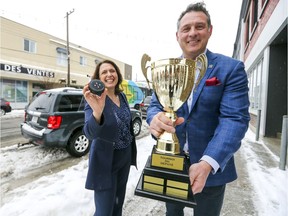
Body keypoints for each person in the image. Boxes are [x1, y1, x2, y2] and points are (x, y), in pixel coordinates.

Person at [146, 2, 250, 216]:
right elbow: (156, 104)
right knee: (172, 213)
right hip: (170, 164)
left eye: (199, 26)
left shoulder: (230, 69)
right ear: (177, 35)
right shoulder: (167, 69)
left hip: (209, 170)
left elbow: (234, 119)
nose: (192, 33)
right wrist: (153, 118)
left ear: (210, 30)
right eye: (186, 28)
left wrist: (207, 163)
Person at [82, 59, 137, 216]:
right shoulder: (93, 100)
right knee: (104, 211)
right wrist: (97, 112)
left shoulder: (122, 96)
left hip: (124, 157)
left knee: (118, 205)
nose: (109, 74)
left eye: (112, 71)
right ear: (98, 79)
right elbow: (89, 133)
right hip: (105, 162)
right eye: (104, 72)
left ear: (117, 74)